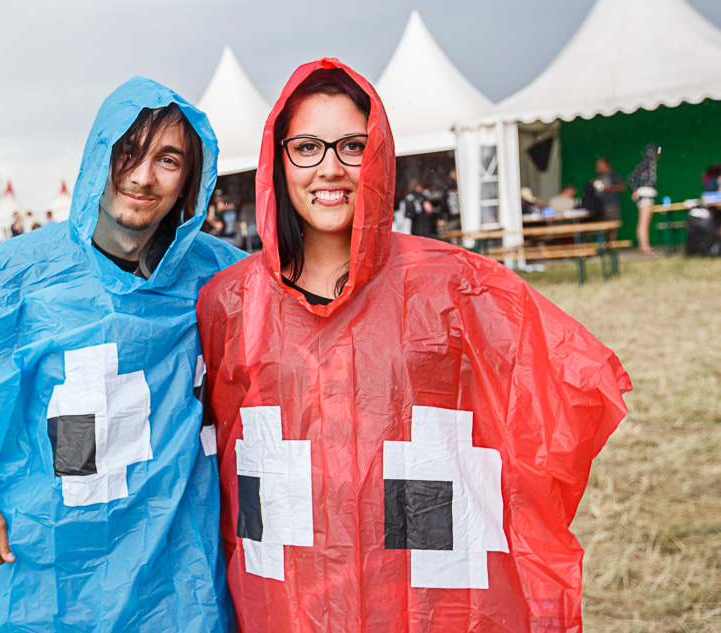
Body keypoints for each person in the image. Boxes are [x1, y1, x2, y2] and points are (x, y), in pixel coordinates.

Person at [197, 59, 631, 632]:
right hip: (286, 593)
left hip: (419, 594)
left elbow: (566, 393)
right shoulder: (229, 301)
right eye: (306, 147)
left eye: (353, 146)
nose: (330, 167)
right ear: (278, 161)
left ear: (379, 156)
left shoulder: (454, 284)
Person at [0, 78, 242, 632]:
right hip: (46, 564)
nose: (142, 175)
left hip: (168, 573)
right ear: (99, 156)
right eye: (128, 151)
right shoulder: (22, 273)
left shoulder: (219, 275)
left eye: (168, 159)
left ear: (190, 178)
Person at [628, 144, 661, 256]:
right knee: (643, 222)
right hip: (645, 195)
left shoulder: (651, 165)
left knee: (646, 222)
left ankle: (645, 246)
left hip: (649, 195)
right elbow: (631, 178)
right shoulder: (645, 165)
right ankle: (644, 247)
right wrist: (635, 190)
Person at [593, 156, 625, 240]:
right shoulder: (598, 177)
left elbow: (622, 187)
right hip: (600, 206)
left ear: (607, 165)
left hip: (612, 205)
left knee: (613, 227)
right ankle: (602, 245)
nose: (599, 167)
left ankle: (611, 245)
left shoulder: (614, 175)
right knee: (601, 227)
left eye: (601, 165)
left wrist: (608, 188)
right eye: (598, 166)